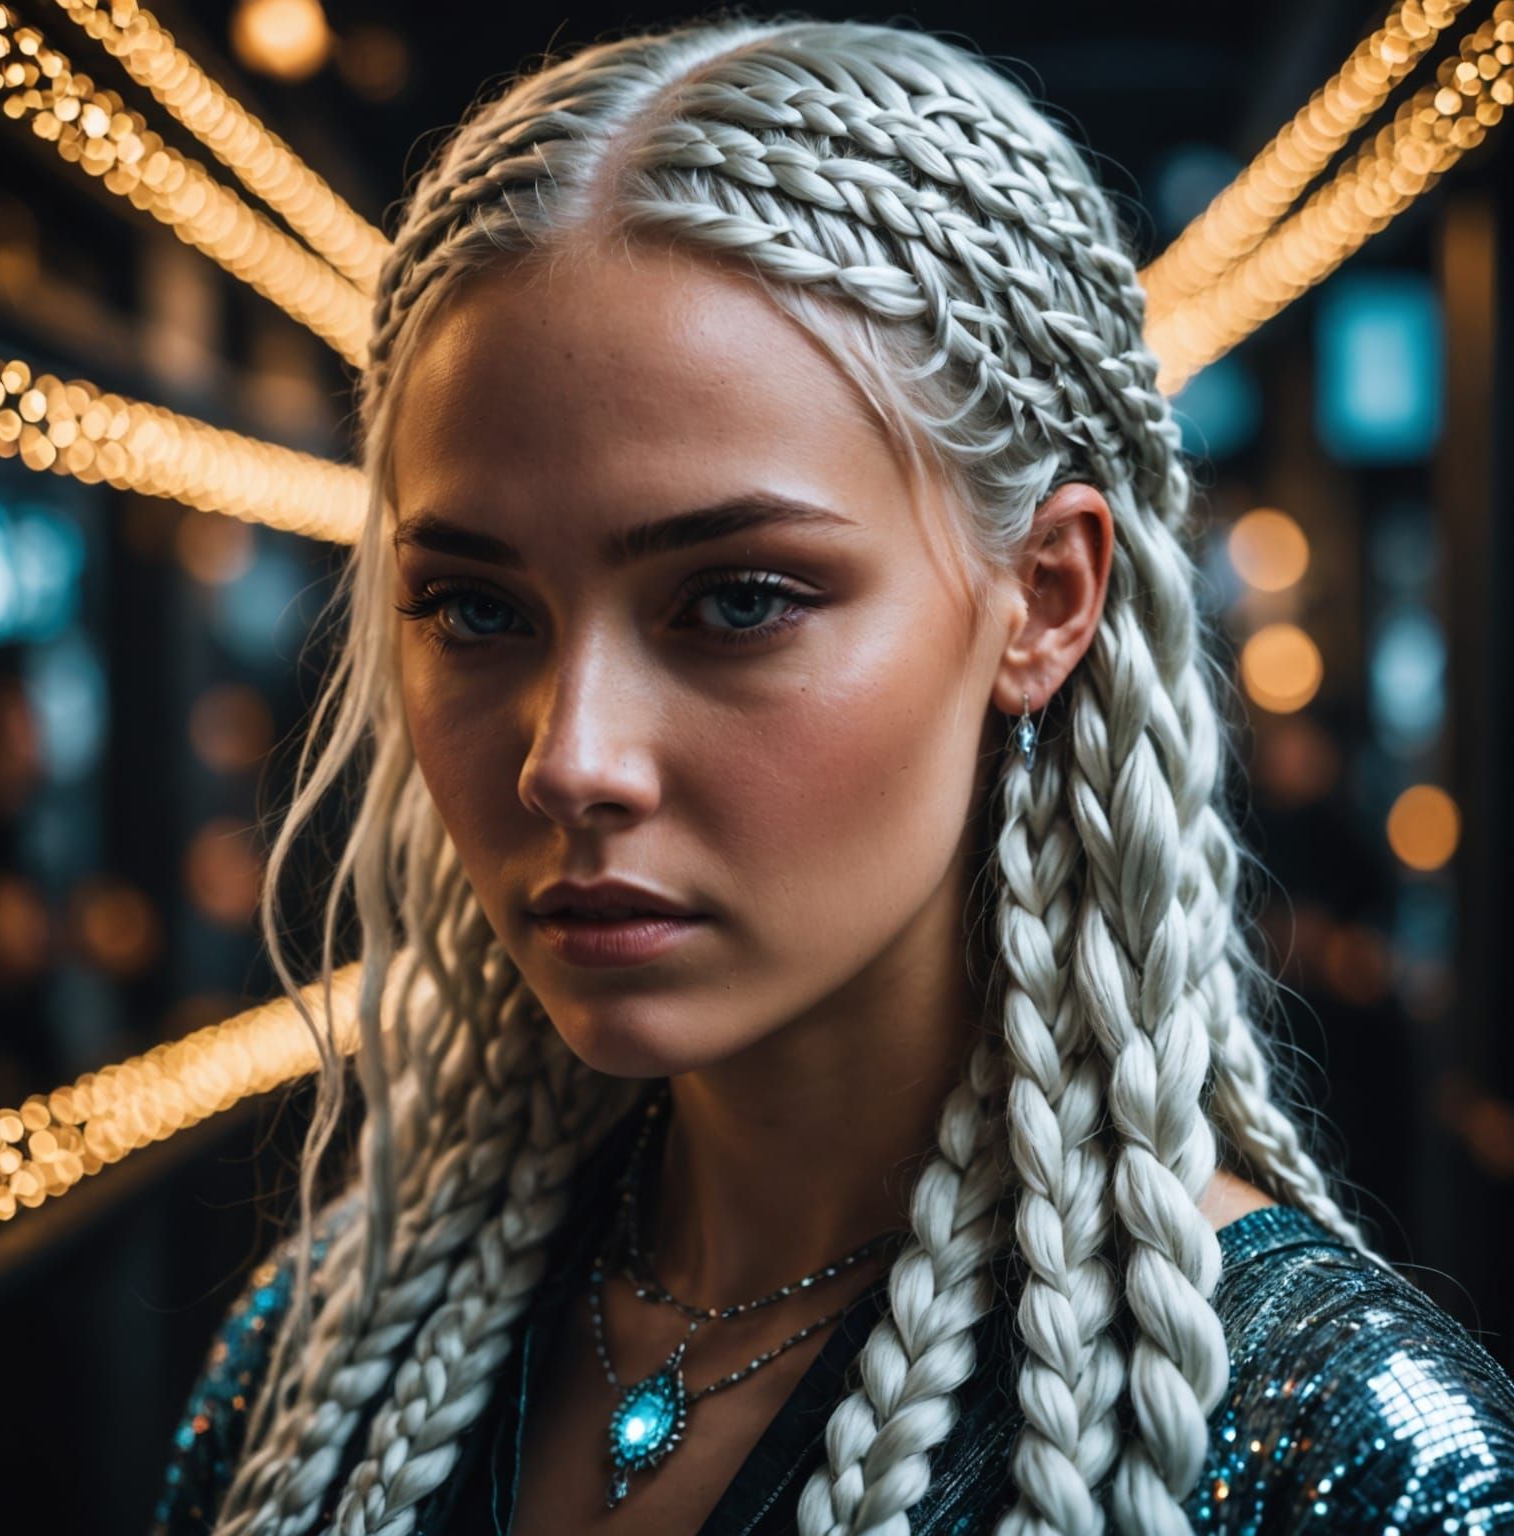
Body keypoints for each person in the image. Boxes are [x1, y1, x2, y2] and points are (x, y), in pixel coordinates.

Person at [148, 12, 1514, 1536]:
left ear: (1046, 600)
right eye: (476, 610)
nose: (571, 761)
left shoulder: (1335, 1454)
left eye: (738, 600)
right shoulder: (326, 1355)